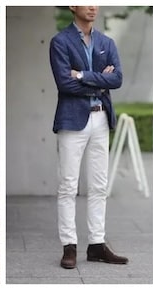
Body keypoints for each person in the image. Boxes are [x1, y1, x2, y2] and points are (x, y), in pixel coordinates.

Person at [49, 6, 128, 269]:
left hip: (101, 118)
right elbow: (64, 83)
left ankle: (96, 245)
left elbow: (116, 79)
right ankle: (69, 246)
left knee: (99, 186)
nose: (93, 6)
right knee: (68, 186)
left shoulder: (107, 42)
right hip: (73, 120)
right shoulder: (60, 42)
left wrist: (82, 75)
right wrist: (99, 81)